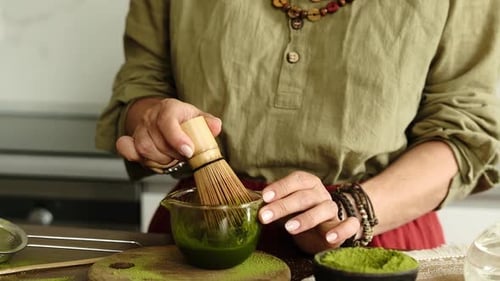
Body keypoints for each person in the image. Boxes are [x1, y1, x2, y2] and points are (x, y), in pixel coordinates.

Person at [96, 0, 500, 278]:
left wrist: (350, 210)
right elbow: (142, 82)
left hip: (375, 236)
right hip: (202, 227)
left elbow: (464, 130)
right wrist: (152, 120)